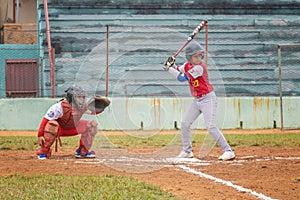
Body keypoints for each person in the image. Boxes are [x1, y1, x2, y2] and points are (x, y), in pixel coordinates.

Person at [163, 42, 235, 161]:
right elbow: (179, 69)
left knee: (210, 126)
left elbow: (182, 78)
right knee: (185, 123)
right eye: (195, 56)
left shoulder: (199, 68)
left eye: (200, 56)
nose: (198, 58)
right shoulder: (187, 65)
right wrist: (171, 64)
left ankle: (228, 151)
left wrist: (169, 69)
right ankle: (187, 151)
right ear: (189, 57)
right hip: (197, 100)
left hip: (208, 99)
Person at [36, 85, 102, 160]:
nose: (82, 99)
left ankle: (82, 151)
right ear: (71, 97)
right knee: (52, 125)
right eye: (79, 97)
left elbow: (94, 112)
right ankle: (44, 151)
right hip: (59, 129)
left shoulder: (83, 106)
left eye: (83, 97)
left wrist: (99, 107)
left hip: (74, 127)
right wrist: (40, 135)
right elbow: (46, 119)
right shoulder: (58, 107)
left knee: (92, 125)